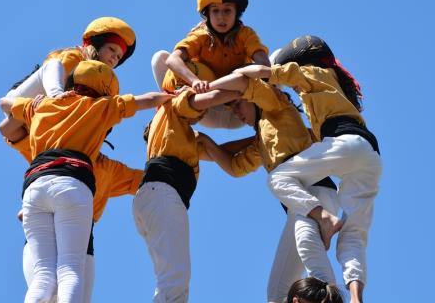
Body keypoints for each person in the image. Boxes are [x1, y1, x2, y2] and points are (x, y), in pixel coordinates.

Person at [0, 60, 172, 303]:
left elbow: (4, 103)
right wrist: (175, 96)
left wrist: (37, 100)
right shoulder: (101, 108)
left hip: (35, 187)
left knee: (42, 276)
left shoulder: (43, 106)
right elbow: (148, 100)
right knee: (70, 270)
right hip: (72, 184)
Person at [230, 35, 382, 303]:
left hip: (346, 144)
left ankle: (323, 223)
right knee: (354, 234)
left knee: (279, 177)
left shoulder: (311, 72)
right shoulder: (330, 82)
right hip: (369, 155)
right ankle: (356, 298)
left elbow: (265, 73)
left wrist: (236, 74)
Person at [195, 73, 340, 302]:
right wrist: (203, 141)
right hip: (299, 203)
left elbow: (245, 82)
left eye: (237, 104)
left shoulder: (276, 105)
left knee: (306, 242)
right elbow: (234, 166)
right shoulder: (260, 141)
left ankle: (330, 297)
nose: (236, 113)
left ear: (251, 97)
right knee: (276, 294)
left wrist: (204, 87)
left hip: (315, 189)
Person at [132, 62, 241, 302]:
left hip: (155, 197)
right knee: (175, 281)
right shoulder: (176, 103)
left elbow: (220, 151)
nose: (204, 115)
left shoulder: (178, 131)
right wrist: (242, 90)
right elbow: (201, 100)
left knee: (173, 280)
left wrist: (259, 140)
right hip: (163, 194)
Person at [151, 0, 270, 128]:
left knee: (275, 63)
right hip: (206, 106)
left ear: (237, 12)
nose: (221, 17)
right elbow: (173, 59)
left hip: (237, 109)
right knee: (160, 58)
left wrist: (259, 74)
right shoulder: (201, 35)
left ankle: (270, 125)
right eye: (215, 11)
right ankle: (175, 112)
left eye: (227, 10)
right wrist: (195, 82)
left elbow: (264, 62)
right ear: (207, 13)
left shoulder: (246, 34)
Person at [0, 16, 136, 152]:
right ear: (97, 44)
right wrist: (56, 98)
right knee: (54, 65)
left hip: (40, 122)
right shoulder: (76, 57)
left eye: (118, 56)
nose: (114, 57)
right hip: (21, 99)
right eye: (112, 49)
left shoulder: (104, 82)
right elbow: (51, 74)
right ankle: (56, 96)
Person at [21, 152, 143, 303]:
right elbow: (146, 181)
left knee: (43, 279)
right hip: (80, 239)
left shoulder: (47, 141)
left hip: (38, 223)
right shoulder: (107, 167)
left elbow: (9, 131)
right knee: (70, 274)